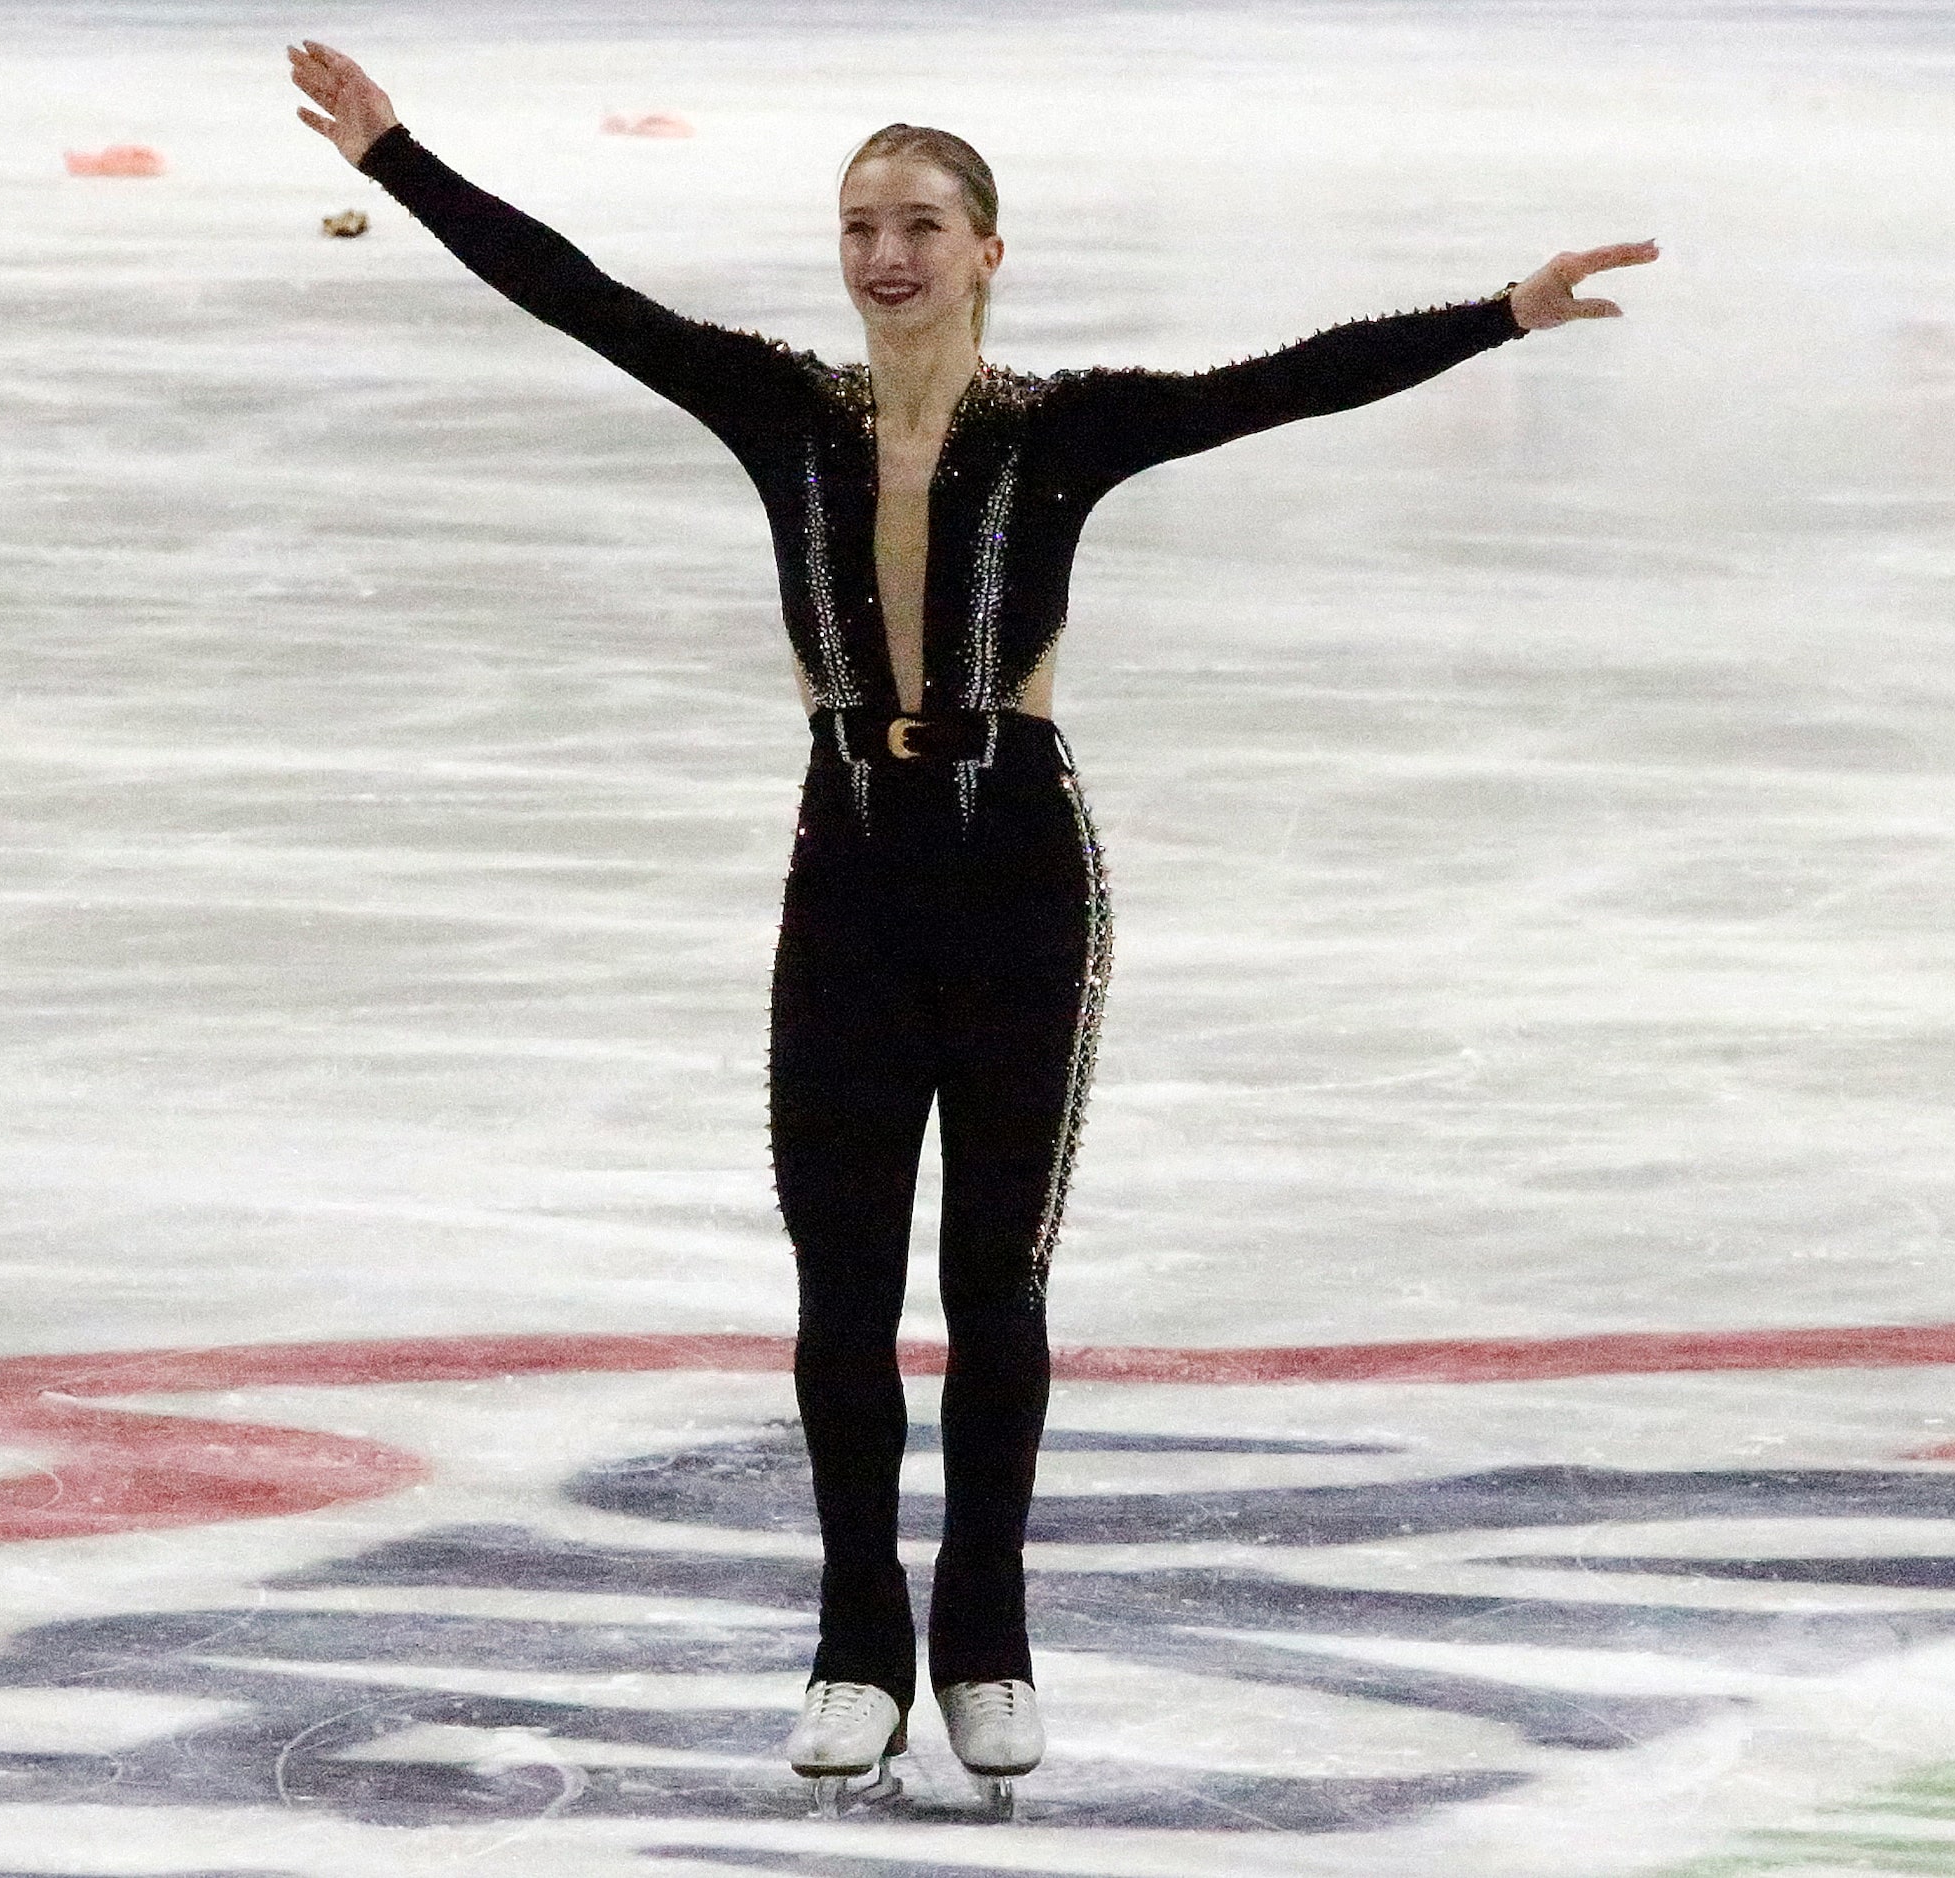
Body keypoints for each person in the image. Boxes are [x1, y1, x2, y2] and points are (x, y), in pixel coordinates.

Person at [288, 38, 1656, 1817]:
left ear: (985, 250)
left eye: (920, 224)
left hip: (1018, 868)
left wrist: (1505, 314)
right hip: (846, 869)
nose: (885, 255)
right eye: (859, 225)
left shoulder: (1058, 429)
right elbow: (575, 292)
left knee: (992, 1280)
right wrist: (398, 158)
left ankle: (985, 1642)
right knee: (840, 1284)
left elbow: (1289, 383)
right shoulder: (776, 406)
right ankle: (856, 1642)